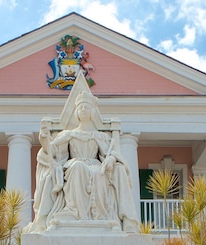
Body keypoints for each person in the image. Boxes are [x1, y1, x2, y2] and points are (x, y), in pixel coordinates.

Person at [23, 73, 139, 233]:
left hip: (96, 166)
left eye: (86, 107)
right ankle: (74, 212)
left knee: (100, 173)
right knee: (77, 167)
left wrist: (111, 159)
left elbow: (112, 153)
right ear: (76, 112)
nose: (83, 110)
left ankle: (101, 215)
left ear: (92, 112)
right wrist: (44, 141)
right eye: (80, 107)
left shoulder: (101, 136)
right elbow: (53, 152)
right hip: (74, 165)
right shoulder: (68, 134)